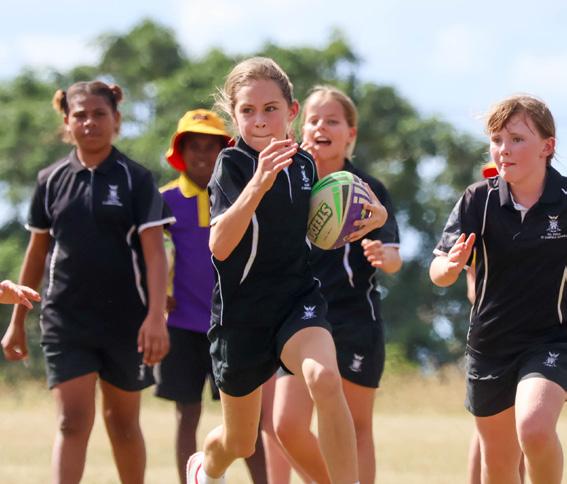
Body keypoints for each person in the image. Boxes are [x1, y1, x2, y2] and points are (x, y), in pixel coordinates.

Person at [186, 56, 387, 484]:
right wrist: (259, 182)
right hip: (241, 317)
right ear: (234, 115)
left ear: (291, 111)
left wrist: (375, 216)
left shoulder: (305, 165)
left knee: (325, 378)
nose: (260, 119)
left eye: (271, 108)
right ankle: (205, 466)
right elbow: (219, 246)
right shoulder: (231, 166)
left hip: (297, 301)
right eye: (248, 110)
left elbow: (323, 228)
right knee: (241, 442)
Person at [1, 80, 173, 484]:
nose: (90, 122)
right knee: (71, 422)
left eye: (99, 114)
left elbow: (155, 253)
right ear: (67, 121)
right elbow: (37, 253)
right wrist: (17, 322)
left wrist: (155, 318)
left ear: (117, 119)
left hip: (127, 322)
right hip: (66, 321)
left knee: (123, 424)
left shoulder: (136, 179)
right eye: (80, 115)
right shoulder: (50, 180)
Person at [430, 94, 567, 484]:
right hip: (490, 346)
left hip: (551, 342)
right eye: (497, 140)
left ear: (547, 146)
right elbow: (437, 272)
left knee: (534, 428)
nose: (503, 149)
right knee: (499, 465)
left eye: (517, 139)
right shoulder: (479, 199)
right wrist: (450, 267)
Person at [272, 85, 402, 484]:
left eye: (332, 121)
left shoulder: (367, 188)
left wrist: (383, 255)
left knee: (357, 425)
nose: (321, 127)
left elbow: (394, 257)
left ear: (351, 134)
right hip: (300, 317)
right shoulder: (287, 181)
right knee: (286, 425)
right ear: (300, 128)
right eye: (313, 120)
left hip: (354, 318)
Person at [156, 108, 268, 483]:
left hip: (234, 324)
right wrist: (157, 295)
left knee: (249, 423)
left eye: (211, 147)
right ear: (180, 152)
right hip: (182, 325)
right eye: (194, 146)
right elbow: (147, 255)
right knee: (187, 414)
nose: (203, 155)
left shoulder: (243, 196)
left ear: (225, 151)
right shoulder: (164, 200)